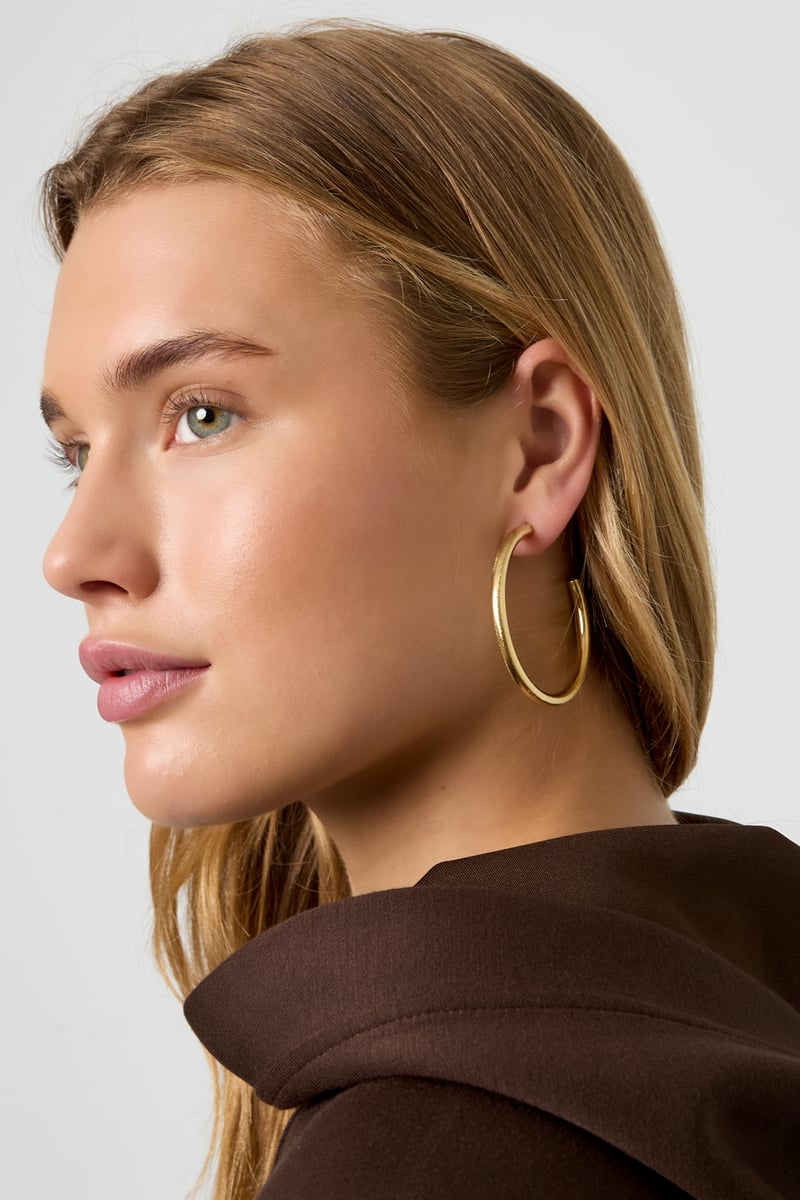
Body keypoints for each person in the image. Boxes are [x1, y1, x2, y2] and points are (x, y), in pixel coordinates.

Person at [37, 20, 800, 1200]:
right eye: (77, 454)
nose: (76, 554)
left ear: (536, 446)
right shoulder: (741, 1000)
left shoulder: (428, 1156)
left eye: (202, 414)